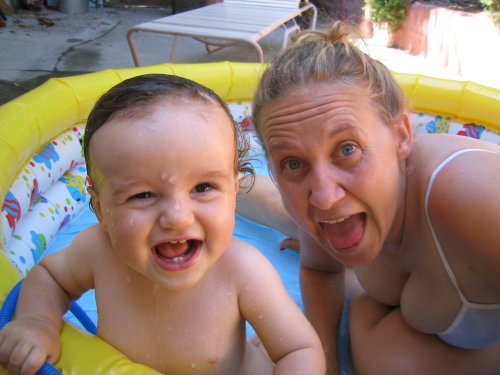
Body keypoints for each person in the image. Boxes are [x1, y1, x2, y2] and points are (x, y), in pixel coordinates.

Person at [0, 74, 326, 375]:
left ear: (234, 191)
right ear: (100, 209)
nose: (177, 217)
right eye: (142, 195)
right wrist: (37, 321)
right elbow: (48, 277)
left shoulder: (242, 271)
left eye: (203, 188)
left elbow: (299, 348)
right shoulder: (96, 251)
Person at [245, 21, 500, 374]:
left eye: (347, 149)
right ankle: (224, 180)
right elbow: (320, 268)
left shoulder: (477, 197)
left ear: (401, 135)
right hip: (388, 295)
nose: (324, 196)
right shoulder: (332, 208)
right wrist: (322, 359)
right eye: (292, 162)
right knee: (283, 209)